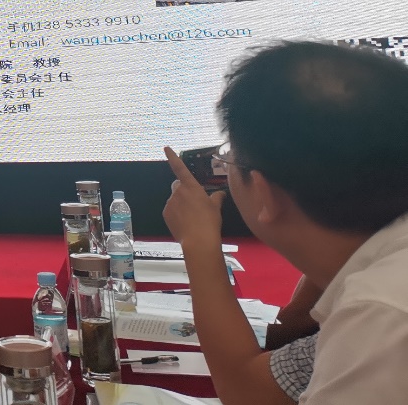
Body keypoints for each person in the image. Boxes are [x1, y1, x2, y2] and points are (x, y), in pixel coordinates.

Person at [163, 40, 408, 405]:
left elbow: (248, 392)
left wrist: (198, 244)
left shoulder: (380, 319)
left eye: (230, 157)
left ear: (265, 192)